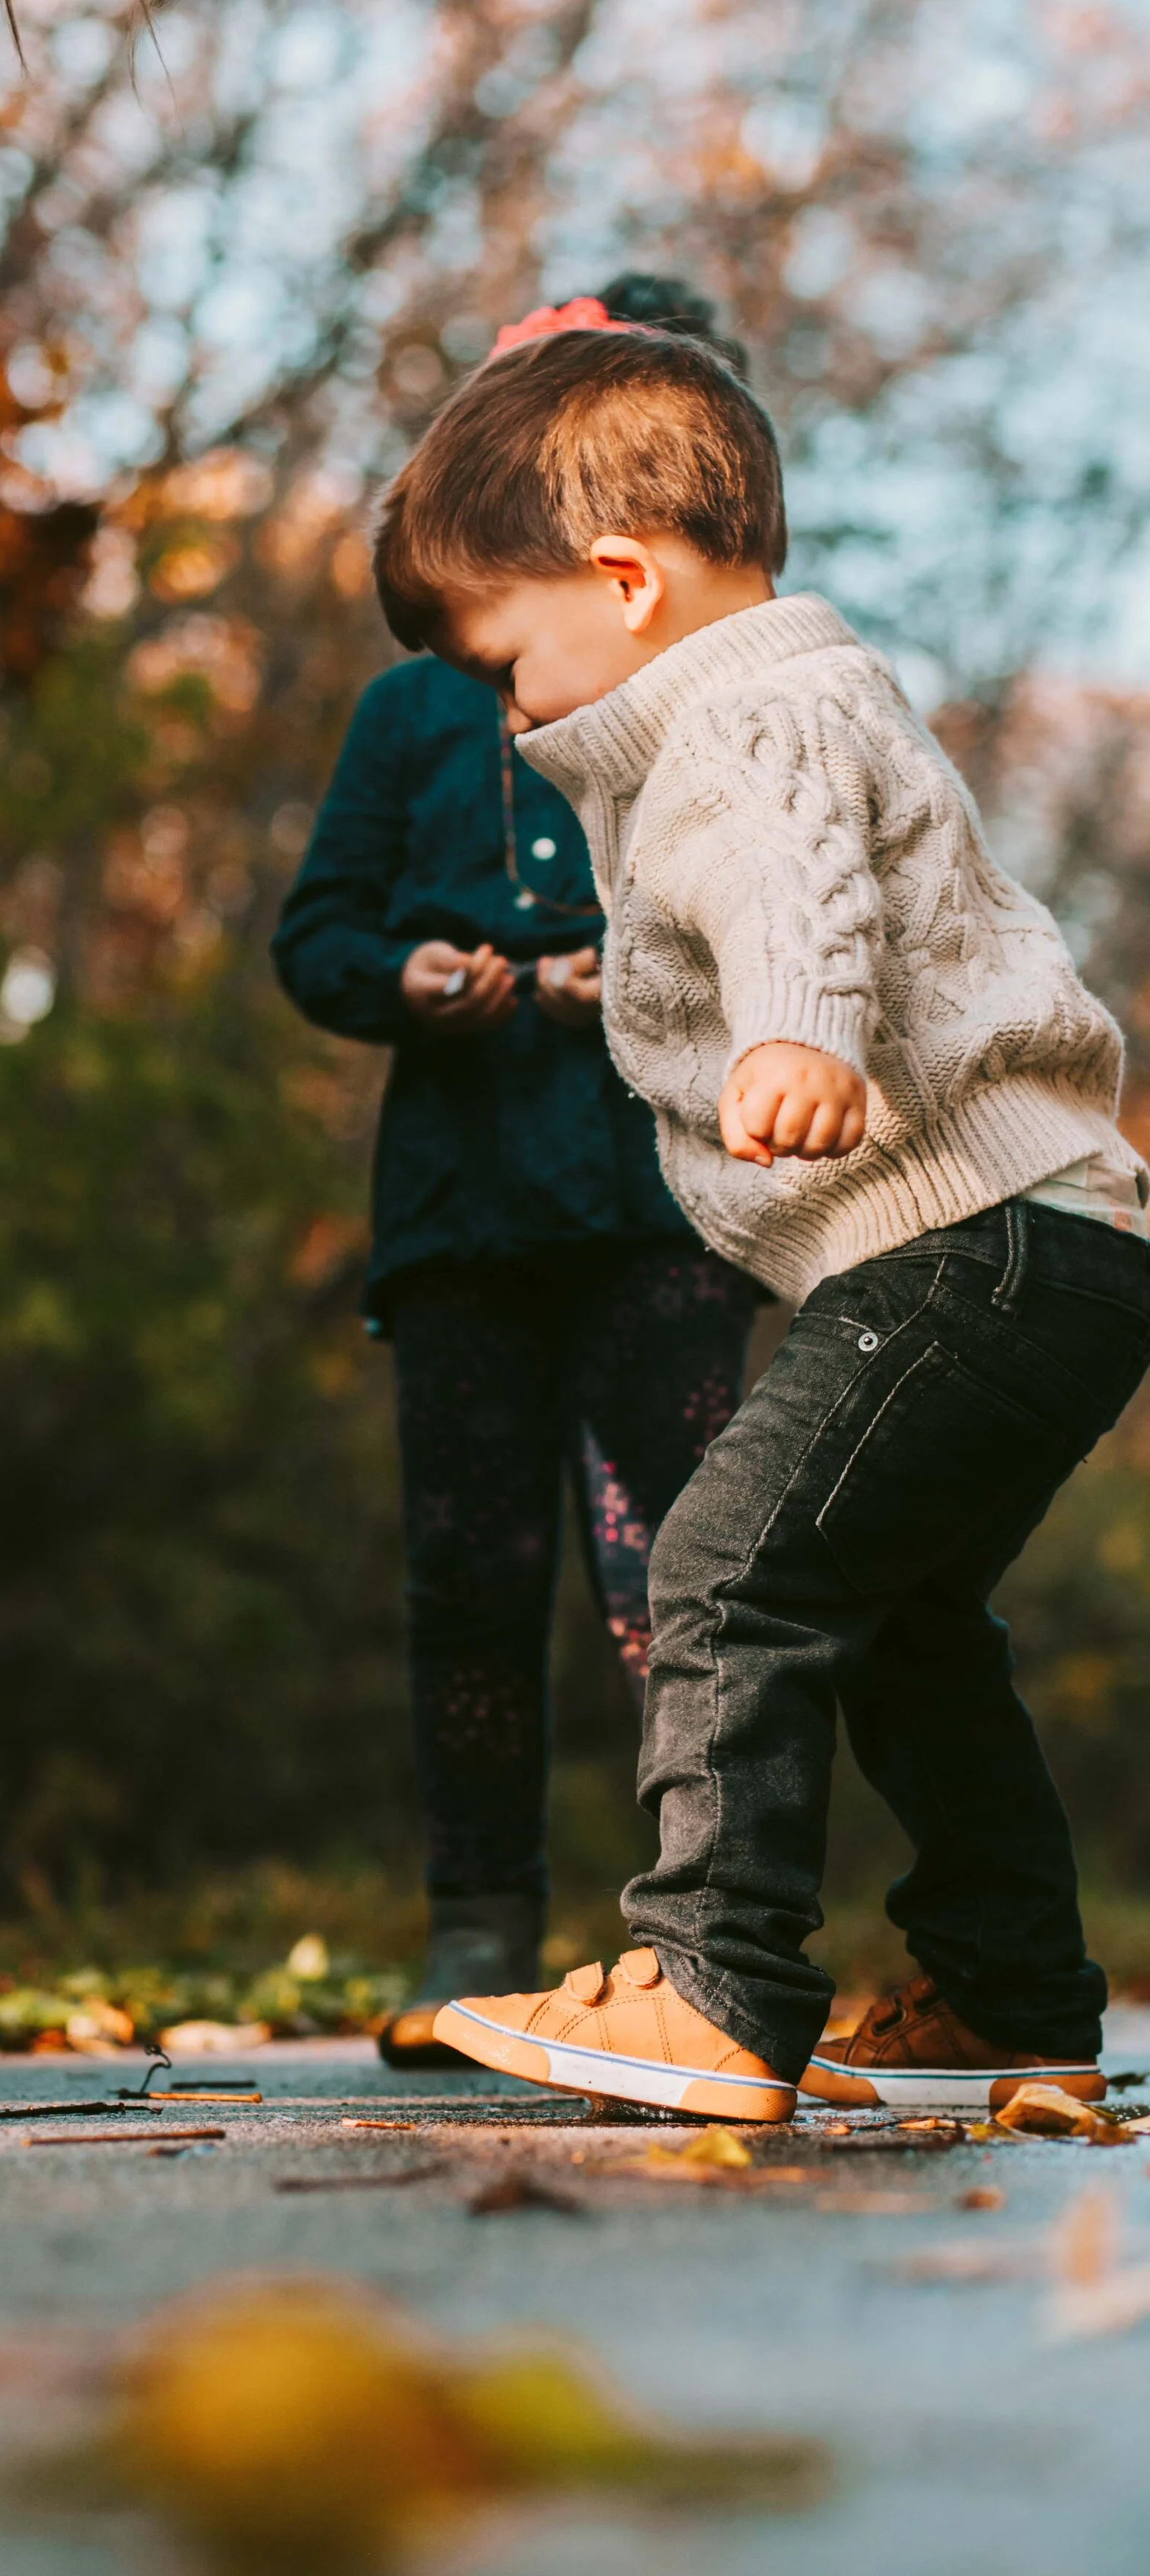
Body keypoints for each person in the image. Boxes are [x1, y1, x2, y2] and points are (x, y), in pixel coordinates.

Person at [370, 311, 1150, 2121]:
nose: (506, 706)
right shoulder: (804, 693)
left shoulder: (742, 722)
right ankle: (1011, 1986)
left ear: (621, 580)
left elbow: (791, 877)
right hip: (1057, 1248)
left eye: (504, 655)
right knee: (893, 1617)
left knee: (725, 1566)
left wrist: (796, 1027)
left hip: (967, 1243)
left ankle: (710, 1980)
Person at [274, 280, 761, 2067]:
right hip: (463, 1219)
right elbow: (315, 934)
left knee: (686, 1577)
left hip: (660, 1216)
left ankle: (704, 1941)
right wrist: (414, 973)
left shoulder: (709, 696)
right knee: (466, 1578)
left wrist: (613, 978)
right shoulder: (412, 713)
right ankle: (474, 1925)